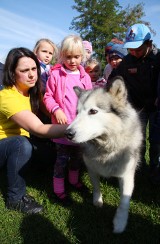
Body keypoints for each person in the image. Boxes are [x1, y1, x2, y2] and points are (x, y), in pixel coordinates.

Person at [0, 47, 68, 214]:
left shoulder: (31, 92)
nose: (31, 75)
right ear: (12, 72)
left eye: (33, 69)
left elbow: (50, 112)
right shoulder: (7, 96)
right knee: (21, 144)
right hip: (6, 145)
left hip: (20, 142)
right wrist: (78, 128)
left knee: (49, 155)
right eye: (24, 70)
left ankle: (29, 171)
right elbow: (38, 129)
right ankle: (15, 198)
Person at [43, 35, 92, 204]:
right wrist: (56, 110)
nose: (72, 61)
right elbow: (48, 97)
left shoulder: (85, 77)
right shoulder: (56, 74)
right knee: (61, 160)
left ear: (83, 56)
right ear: (62, 55)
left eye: (76, 57)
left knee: (77, 158)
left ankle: (73, 181)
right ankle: (58, 190)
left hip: (80, 128)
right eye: (68, 56)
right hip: (62, 127)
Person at [108, 23, 160, 183]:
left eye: (138, 49)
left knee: (157, 140)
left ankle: (156, 170)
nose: (134, 52)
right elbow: (114, 78)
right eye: (130, 49)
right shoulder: (127, 61)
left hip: (157, 107)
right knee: (139, 139)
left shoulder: (158, 58)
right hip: (138, 107)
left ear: (149, 44)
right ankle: (140, 168)